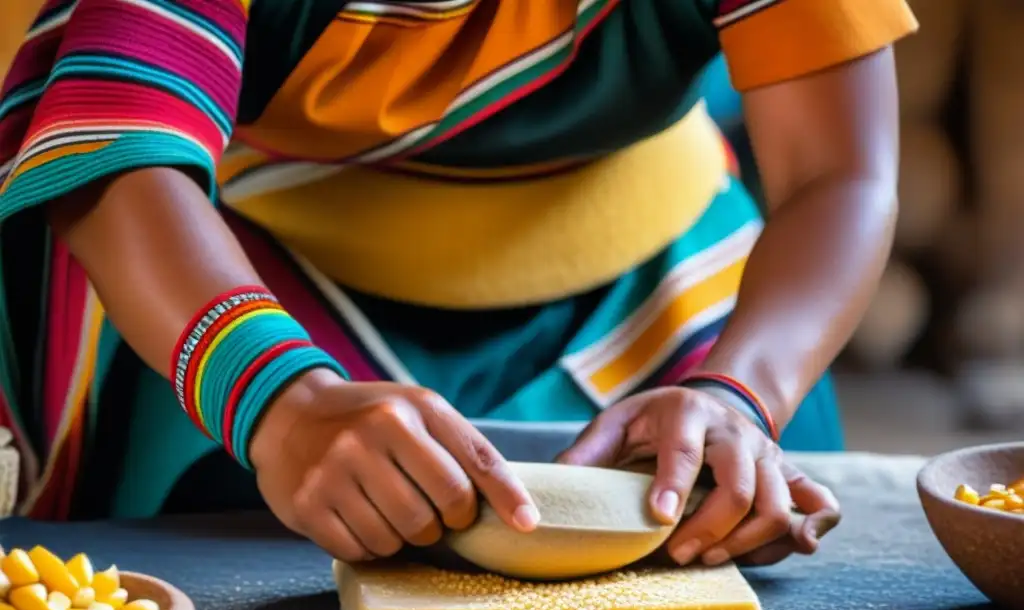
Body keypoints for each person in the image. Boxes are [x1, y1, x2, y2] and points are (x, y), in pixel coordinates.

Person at [0, 0, 915, 569]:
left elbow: (838, 174)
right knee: (221, 578)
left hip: (666, 284)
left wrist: (739, 390)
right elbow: (118, 155)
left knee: (729, 521)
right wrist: (277, 398)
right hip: (254, 281)